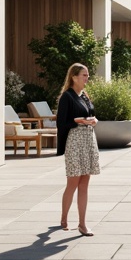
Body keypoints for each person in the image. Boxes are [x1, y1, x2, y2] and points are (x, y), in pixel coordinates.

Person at [56, 63, 99, 236]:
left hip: (88, 140)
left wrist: (93, 120)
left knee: (85, 183)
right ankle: (64, 217)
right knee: (73, 182)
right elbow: (61, 123)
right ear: (74, 77)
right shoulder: (67, 97)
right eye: (84, 75)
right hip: (75, 142)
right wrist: (78, 121)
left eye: (87, 75)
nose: (87, 78)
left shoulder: (85, 96)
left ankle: (82, 224)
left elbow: (91, 114)